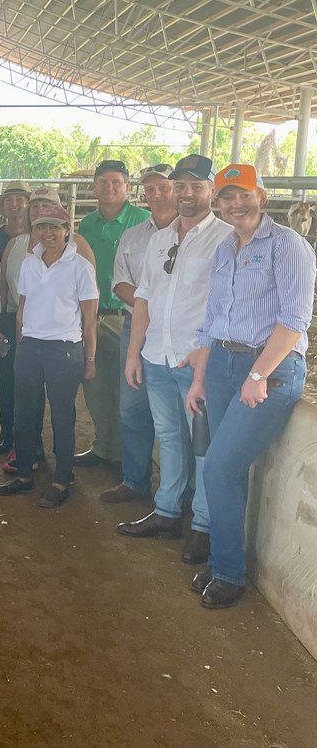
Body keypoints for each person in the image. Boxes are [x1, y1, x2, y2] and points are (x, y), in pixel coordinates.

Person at [182, 163, 314, 609]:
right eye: (226, 197)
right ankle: (223, 561)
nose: (235, 204)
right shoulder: (225, 248)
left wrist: (258, 375)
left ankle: (229, 574)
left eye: (243, 194)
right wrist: (199, 376)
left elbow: (294, 320)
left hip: (268, 370)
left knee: (220, 467)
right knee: (223, 470)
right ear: (216, 203)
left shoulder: (288, 245)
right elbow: (213, 317)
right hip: (221, 362)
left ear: (262, 194)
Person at [118, 155, 231, 558]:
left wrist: (203, 357)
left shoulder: (224, 238)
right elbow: (143, 297)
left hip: (194, 360)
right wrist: (134, 354)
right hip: (155, 355)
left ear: (211, 191)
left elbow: (224, 306)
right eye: (180, 185)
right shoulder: (160, 238)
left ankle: (201, 522)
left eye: (195, 186)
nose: (186, 193)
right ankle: (166, 510)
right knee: (167, 436)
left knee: (202, 443)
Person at [0, 203, 99, 507]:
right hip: (30, 346)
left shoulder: (80, 266)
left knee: (62, 415)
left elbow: (89, 318)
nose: (48, 232)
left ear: (67, 231)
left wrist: (89, 360)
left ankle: (61, 479)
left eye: (55, 227)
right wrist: (20, 345)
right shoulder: (30, 263)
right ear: (34, 230)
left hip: (64, 349)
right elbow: (22, 309)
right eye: (42, 227)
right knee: (24, 413)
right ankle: (24, 475)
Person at [100, 164, 178, 502]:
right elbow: (119, 283)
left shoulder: (197, 233)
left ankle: (182, 491)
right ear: (142, 193)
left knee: (179, 411)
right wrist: (150, 305)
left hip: (181, 329)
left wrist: (157, 306)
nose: (156, 194)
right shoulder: (133, 236)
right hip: (137, 327)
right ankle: (135, 479)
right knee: (131, 406)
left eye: (163, 188)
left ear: (176, 190)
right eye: (151, 189)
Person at [75, 159, 150, 471]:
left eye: (115, 183)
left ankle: (130, 459)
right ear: (94, 187)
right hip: (92, 315)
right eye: (103, 183)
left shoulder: (143, 221)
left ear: (127, 187)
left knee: (128, 389)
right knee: (95, 385)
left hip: (127, 315)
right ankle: (103, 446)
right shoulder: (86, 225)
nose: (109, 188)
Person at [0, 181, 32, 456]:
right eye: (9, 200)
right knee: (6, 378)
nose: (14, 204)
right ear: (2, 207)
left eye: (19, 199)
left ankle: (30, 439)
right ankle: (7, 431)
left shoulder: (41, 237)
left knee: (32, 381)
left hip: (37, 320)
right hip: (6, 315)